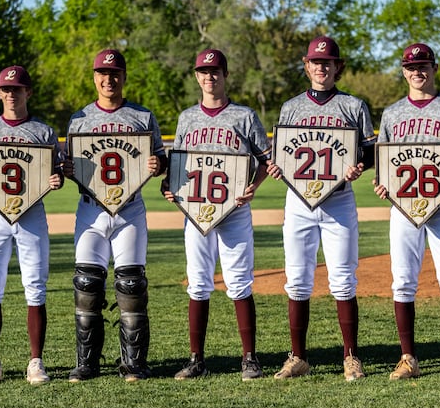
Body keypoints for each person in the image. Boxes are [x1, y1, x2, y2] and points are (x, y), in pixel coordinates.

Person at [267, 35, 376, 381]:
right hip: (298, 201)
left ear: (337, 67)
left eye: (327, 62)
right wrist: (275, 167)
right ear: (307, 65)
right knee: (297, 281)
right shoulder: (291, 107)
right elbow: (281, 153)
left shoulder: (353, 106)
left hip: (339, 200)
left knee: (343, 280)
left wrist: (360, 165)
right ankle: (297, 357)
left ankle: (351, 356)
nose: (321, 67)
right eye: (316, 62)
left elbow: (370, 152)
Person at [164, 49, 272, 381]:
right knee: (198, 283)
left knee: (239, 282)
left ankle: (249, 357)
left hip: (235, 210)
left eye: (215, 71)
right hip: (196, 211)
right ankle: (196, 359)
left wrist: (254, 186)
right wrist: (170, 187)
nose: (209, 77)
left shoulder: (244, 115)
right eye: (203, 71)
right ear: (196, 76)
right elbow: (178, 164)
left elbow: (266, 159)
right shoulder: (186, 118)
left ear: (225, 75)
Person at [373, 43, 440, 380]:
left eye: (423, 66)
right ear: (404, 71)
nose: (417, 72)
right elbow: (383, 163)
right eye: (411, 67)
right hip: (403, 208)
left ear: (433, 69)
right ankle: (408, 357)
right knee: (402, 282)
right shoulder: (391, 113)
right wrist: (381, 184)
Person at [67, 48, 167, 383]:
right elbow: (70, 163)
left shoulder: (141, 116)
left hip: (130, 210)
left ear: (123, 77)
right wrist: (66, 169)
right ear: (94, 77)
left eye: (115, 74)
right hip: (91, 210)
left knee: (131, 285)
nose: (108, 79)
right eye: (102, 74)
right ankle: (87, 363)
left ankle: (134, 363)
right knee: (86, 285)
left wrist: (159, 165)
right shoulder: (79, 118)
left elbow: (161, 158)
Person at [0, 66, 65, 385]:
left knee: (35, 285)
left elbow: (58, 170)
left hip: (31, 212)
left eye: (17, 89)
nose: (11, 94)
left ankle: (36, 362)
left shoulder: (44, 132)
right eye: (5, 89)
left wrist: (57, 178)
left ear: (28, 92)